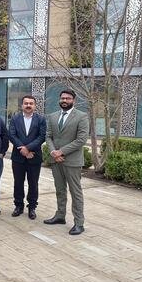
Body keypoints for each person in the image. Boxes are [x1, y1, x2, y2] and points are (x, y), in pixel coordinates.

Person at [45, 90, 89, 235]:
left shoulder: (82, 117)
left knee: (75, 192)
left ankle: (79, 223)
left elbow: (81, 140)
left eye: (68, 98)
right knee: (60, 190)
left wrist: (61, 151)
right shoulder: (52, 116)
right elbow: (48, 136)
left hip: (72, 161)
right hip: (56, 160)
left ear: (73, 100)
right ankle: (60, 216)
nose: (65, 100)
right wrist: (53, 152)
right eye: (62, 98)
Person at [8, 95, 47, 220]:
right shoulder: (15, 118)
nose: (28, 105)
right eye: (26, 103)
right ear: (22, 105)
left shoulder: (41, 119)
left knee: (33, 183)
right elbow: (12, 135)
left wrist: (28, 148)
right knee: (18, 183)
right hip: (18, 157)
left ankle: (32, 207)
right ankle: (18, 206)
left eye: (31, 103)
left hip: (34, 157)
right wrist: (23, 150)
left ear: (35, 106)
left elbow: (42, 137)